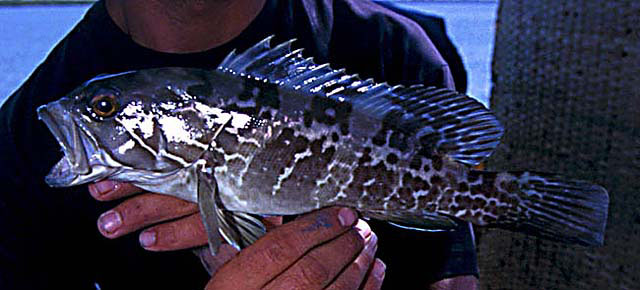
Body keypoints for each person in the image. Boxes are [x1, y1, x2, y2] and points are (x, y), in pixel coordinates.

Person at [0, 0, 478, 289]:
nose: (95, 117)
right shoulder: (20, 141)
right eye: (105, 109)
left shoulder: (394, 51)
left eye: (105, 109)